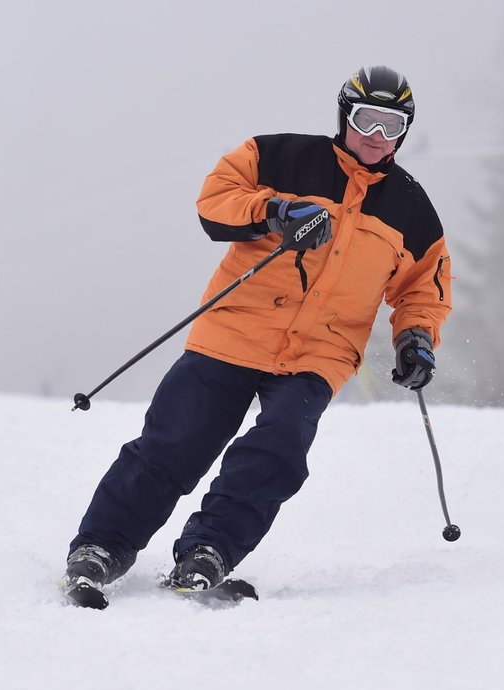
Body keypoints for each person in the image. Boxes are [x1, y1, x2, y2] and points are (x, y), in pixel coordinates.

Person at [61, 65, 452, 607]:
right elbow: (214, 199)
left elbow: (422, 287)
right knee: (177, 439)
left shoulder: (412, 208)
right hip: (235, 329)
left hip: (321, 352)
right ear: (345, 116)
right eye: (367, 120)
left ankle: (210, 551)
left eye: (392, 126)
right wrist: (273, 212)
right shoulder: (279, 155)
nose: (376, 136)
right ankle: (103, 546)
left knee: (281, 448)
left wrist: (416, 337)